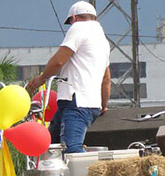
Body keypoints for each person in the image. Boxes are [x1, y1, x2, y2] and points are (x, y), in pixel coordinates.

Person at [25, 1, 110, 154]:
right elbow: (106, 79)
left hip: (77, 102)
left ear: (74, 18)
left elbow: (59, 61)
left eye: (70, 22)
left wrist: (42, 78)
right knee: (49, 144)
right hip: (86, 105)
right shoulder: (103, 40)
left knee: (71, 149)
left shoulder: (79, 28)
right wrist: (103, 105)